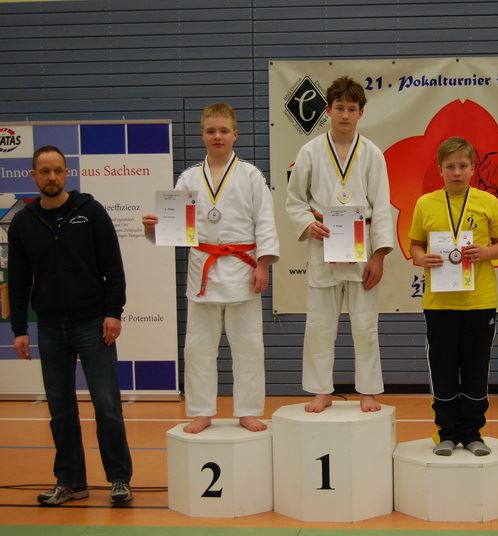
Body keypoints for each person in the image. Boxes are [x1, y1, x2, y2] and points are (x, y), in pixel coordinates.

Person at [142, 103, 280, 434]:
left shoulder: (251, 175)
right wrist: (153, 229)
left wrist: (264, 265)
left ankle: (248, 410)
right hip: (203, 268)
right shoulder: (188, 178)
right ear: (201, 135)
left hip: (243, 269)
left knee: (248, 346)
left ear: (235, 134)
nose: (217, 136)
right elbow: (174, 229)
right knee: (198, 348)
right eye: (211, 131)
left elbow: (265, 222)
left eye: (223, 130)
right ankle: (202, 411)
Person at [9, 145, 133, 505]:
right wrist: (20, 329)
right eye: (44, 171)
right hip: (50, 328)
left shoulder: (90, 212)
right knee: (60, 408)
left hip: (93, 324)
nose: (52, 177)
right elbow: (18, 280)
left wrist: (114, 312)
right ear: (33, 176)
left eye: (58, 171)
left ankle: (119, 479)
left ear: (67, 173)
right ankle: (71, 482)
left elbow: (113, 266)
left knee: (106, 404)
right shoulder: (23, 223)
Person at [286, 76, 394, 413]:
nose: (345, 115)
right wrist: (308, 223)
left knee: (365, 326)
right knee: (319, 325)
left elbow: (383, 207)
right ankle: (321, 390)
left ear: (361, 112)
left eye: (351, 109)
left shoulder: (373, 154)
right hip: (324, 246)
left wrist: (379, 256)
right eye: (339, 108)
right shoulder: (310, 151)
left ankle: (368, 390)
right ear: (328, 110)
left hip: (362, 249)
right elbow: (294, 200)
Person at [409, 137, 498, 456]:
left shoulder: (487, 202)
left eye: (463, 166)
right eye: (450, 166)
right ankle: (446, 433)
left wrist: (485, 252)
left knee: (476, 367)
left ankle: (473, 432)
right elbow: (415, 246)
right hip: (439, 304)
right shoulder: (425, 204)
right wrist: (422, 258)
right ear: (440, 169)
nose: (456, 172)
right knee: (443, 367)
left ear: (473, 169)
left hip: (479, 301)